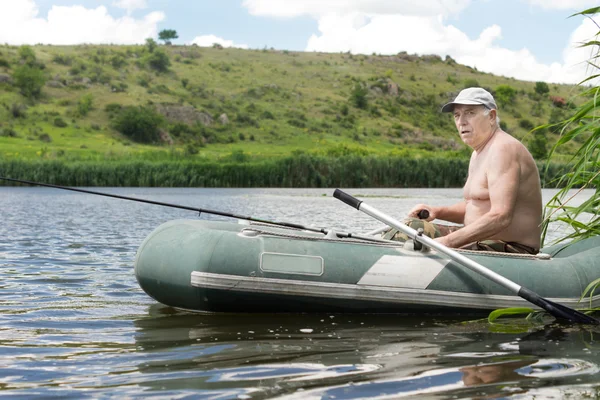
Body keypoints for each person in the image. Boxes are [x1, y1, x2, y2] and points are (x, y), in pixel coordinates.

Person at [384, 87, 542, 254]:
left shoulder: (503, 149)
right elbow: (473, 206)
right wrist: (437, 211)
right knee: (410, 227)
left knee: (404, 236)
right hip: (481, 241)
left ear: (491, 116)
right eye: (457, 115)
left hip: (509, 249)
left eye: (470, 113)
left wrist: (447, 242)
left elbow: (501, 216)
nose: (461, 121)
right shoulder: (478, 153)